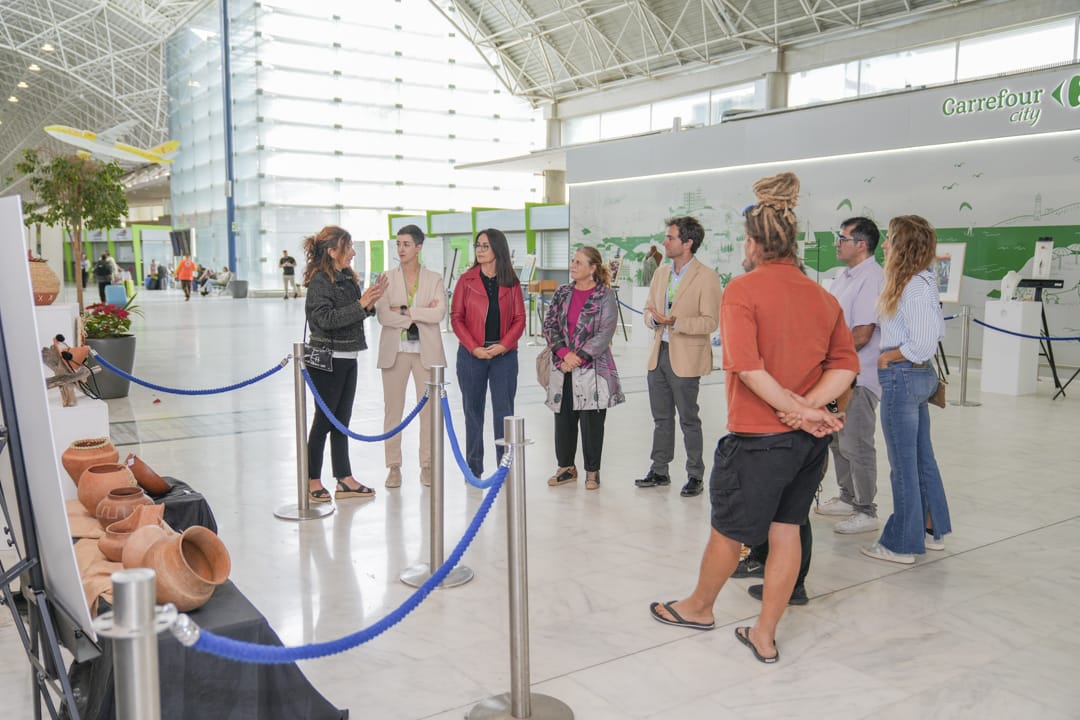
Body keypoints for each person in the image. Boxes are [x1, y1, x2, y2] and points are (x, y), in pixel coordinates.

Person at [649, 172, 858, 666]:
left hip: (759, 437)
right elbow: (845, 365)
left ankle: (699, 607)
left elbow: (745, 366)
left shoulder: (743, 289)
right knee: (786, 528)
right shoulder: (822, 296)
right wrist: (810, 410)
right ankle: (764, 633)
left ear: (755, 243)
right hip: (807, 446)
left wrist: (795, 409)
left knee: (729, 529)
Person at [862, 215, 951, 564]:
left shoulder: (912, 285)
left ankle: (901, 542)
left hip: (902, 375)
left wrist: (888, 359)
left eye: (889, 238)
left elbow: (926, 341)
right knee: (920, 458)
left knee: (903, 464)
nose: (884, 244)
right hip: (915, 377)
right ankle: (930, 529)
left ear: (903, 244)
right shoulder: (922, 280)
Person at [635, 216, 722, 497]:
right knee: (661, 418)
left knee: (688, 419)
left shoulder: (706, 277)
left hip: (686, 356)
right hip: (658, 353)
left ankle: (695, 474)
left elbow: (710, 322)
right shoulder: (661, 273)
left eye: (670, 238)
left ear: (688, 243)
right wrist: (654, 320)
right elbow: (648, 309)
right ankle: (659, 469)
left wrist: (676, 322)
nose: (664, 242)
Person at [303, 225, 388, 503]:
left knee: (341, 422)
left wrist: (370, 302)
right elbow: (325, 320)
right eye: (348, 247)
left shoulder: (347, 277)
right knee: (323, 422)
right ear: (332, 251)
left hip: (348, 357)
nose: (352, 253)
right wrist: (361, 304)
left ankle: (344, 478)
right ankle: (312, 479)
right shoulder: (319, 282)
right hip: (327, 360)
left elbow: (354, 313)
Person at [815, 217, 885, 534]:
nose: (837, 243)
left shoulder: (872, 278)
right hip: (835, 378)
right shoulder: (843, 277)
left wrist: (829, 355)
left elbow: (863, 333)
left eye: (841, 238)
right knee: (835, 437)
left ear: (861, 244)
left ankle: (866, 509)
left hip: (858, 379)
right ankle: (847, 495)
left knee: (856, 443)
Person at [542, 246, 625, 491]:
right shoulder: (562, 292)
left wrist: (578, 357)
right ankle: (566, 467)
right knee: (564, 418)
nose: (573, 265)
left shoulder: (605, 295)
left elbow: (606, 330)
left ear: (592, 268)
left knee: (592, 422)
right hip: (563, 366)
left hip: (593, 369)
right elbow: (550, 324)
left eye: (579, 262)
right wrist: (564, 353)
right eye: (572, 261)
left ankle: (592, 471)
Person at [375, 225, 446, 488]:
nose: (401, 249)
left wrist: (403, 311)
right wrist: (415, 314)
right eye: (398, 244)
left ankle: (426, 465)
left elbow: (439, 314)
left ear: (418, 247)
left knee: (428, 412)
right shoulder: (386, 278)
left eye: (406, 244)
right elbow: (383, 315)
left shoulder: (434, 278)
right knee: (393, 412)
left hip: (426, 353)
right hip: (395, 352)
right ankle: (393, 466)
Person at [450, 228, 525, 478]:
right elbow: (457, 318)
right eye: (478, 246)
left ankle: (504, 468)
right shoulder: (466, 281)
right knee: (473, 412)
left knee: (504, 412)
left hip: (504, 356)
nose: (480, 250)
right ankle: (474, 467)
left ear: (497, 249)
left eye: (485, 246)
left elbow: (519, 319)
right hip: (472, 356)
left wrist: (504, 344)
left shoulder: (511, 282)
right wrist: (474, 347)